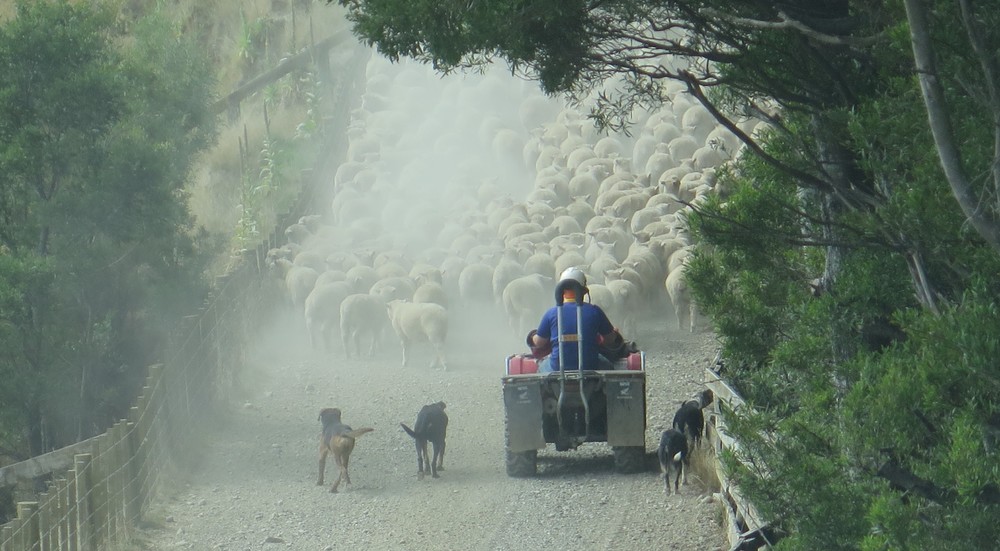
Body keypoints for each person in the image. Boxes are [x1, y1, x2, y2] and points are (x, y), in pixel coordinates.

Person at [530, 267, 619, 372]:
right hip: (590, 367)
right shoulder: (595, 311)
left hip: (557, 368)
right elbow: (610, 339)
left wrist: (532, 336)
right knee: (609, 366)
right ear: (585, 291)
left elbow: (539, 343)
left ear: (561, 291)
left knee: (541, 367)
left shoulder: (551, 313)